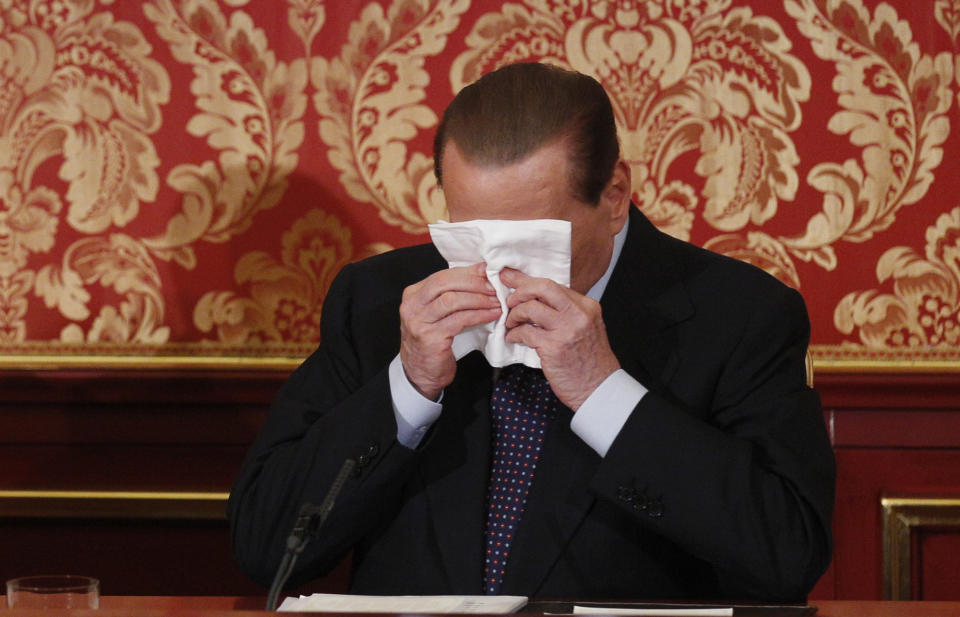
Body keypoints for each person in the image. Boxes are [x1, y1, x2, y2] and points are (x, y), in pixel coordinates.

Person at [227, 62, 835, 602]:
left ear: (615, 194)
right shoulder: (378, 300)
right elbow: (265, 545)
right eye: (472, 235)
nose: (498, 269)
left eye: (528, 241)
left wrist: (605, 392)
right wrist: (407, 387)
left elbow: (787, 559)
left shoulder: (741, 314)